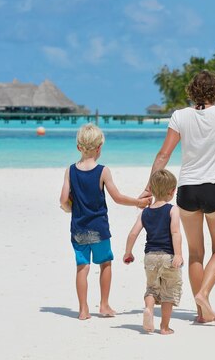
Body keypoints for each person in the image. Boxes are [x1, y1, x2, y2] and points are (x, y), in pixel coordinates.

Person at [140, 70, 215, 323]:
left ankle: (202, 313)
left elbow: (163, 155)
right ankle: (204, 294)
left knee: (195, 253)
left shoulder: (180, 116)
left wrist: (150, 187)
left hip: (187, 190)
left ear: (191, 91)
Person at [59, 123, 150, 320]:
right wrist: (138, 202)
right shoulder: (103, 171)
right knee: (106, 264)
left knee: (82, 267)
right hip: (99, 228)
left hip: (78, 229)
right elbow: (117, 197)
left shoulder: (70, 171)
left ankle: (83, 310)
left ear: (78, 147)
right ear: (99, 148)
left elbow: (63, 200)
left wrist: (69, 208)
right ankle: (104, 304)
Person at [123, 169, 183, 335]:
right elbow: (175, 233)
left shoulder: (145, 212)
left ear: (153, 191)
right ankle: (164, 327)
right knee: (168, 291)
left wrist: (128, 252)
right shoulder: (173, 210)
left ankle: (149, 309)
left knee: (151, 288)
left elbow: (133, 233)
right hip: (168, 256)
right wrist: (178, 254)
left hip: (150, 257)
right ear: (172, 191)